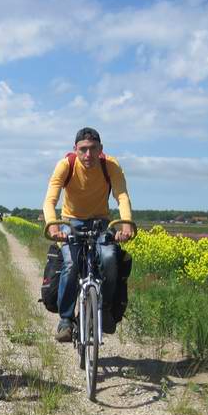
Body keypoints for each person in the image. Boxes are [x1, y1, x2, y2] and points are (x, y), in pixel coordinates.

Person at [43, 127, 134, 342]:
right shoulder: (67, 165)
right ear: (75, 149)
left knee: (110, 259)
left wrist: (126, 224)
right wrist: (54, 227)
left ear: (101, 149)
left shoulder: (110, 165)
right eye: (83, 149)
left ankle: (106, 309)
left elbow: (121, 195)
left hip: (101, 221)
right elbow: (49, 200)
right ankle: (65, 320)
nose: (88, 155)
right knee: (71, 264)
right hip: (70, 222)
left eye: (93, 149)